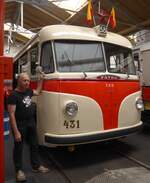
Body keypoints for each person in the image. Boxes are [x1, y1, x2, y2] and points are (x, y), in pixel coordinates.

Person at [7, 72, 49, 182]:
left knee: (34, 144)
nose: (27, 82)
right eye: (24, 80)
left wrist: (40, 80)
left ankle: (36, 166)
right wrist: (16, 132)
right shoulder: (13, 95)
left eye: (28, 81)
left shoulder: (29, 91)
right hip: (20, 124)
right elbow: (11, 114)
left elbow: (38, 91)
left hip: (31, 122)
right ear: (19, 81)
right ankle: (19, 171)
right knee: (19, 148)